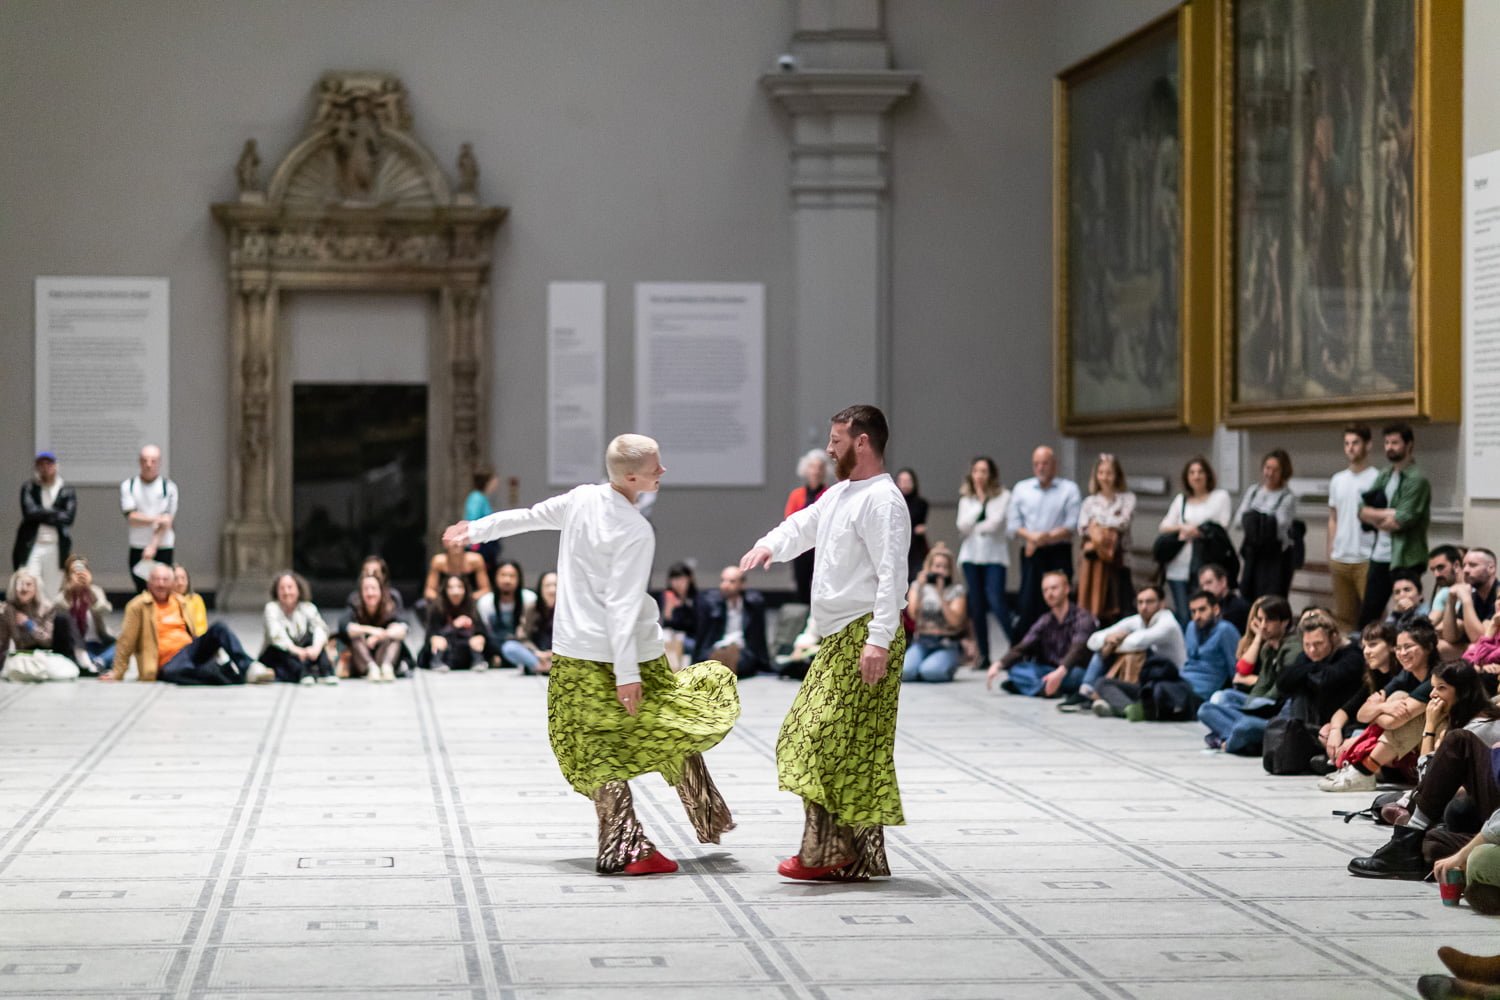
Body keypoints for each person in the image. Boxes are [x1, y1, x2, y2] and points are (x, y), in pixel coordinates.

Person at [447, 433, 738, 876]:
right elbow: (621, 605)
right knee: (648, 728)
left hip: (579, 651)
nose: (663, 472)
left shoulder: (584, 500)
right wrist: (626, 674)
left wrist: (476, 531)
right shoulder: (634, 529)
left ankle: (657, 832)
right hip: (618, 656)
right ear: (633, 475)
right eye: (656, 466)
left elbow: (527, 517)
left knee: (621, 737)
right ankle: (635, 843)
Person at [740, 404, 910, 881]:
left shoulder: (884, 500)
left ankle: (828, 851)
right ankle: (837, 851)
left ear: (861, 442)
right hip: (839, 636)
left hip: (864, 637)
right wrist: (770, 544)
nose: (829, 448)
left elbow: (893, 577)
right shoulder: (841, 494)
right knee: (834, 745)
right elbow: (802, 526)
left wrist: (878, 640)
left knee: (817, 739)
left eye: (836, 440)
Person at [1319, 619, 1440, 792]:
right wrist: (1383, 708)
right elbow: (1361, 712)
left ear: (1428, 647)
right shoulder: (1405, 675)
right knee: (1397, 698)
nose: (1402, 653)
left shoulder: (1437, 677)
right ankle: (1363, 769)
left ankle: (1363, 770)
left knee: (1415, 711)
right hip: (1413, 748)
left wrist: (1377, 714)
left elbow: (1394, 722)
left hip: (1443, 743)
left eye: (1408, 647)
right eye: (1399, 648)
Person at [107, 563, 259, 685]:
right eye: (156, 580)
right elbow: (126, 640)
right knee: (195, 673)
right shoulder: (138, 606)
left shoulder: (180, 601)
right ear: (148, 583)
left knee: (219, 628)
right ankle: (224, 674)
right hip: (167, 662)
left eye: (165, 580)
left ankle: (248, 666)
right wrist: (118, 671)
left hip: (188, 650)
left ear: (171, 583)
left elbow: (192, 631)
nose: (160, 584)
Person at [1198, 596, 1298, 753]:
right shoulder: (1268, 648)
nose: (1263, 626)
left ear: (1284, 622)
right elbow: (1260, 687)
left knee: (1245, 726)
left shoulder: (1292, 648)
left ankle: (1229, 741)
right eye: (1260, 620)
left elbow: (1278, 693)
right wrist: (1247, 706)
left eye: (1269, 620)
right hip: (1261, 706)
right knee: (1207, 708)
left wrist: (1250, 707)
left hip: (1275, 712)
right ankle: (1243, 739)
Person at [1358, 422, 1431, 627]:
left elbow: (1400, 520)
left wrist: (1381, 516)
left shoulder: (1417, 479)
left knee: (1406, 615)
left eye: (1395, 442)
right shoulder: (1385, 474)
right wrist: (1387, 513)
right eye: (1387, 442)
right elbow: (1361, 510)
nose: (1390, 447)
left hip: (1405, 556)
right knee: (1369, 613)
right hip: (1379, 554)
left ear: (1409, 445)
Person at [1073, 585, 1185, 716]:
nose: (1144, 607)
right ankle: (1091, 693)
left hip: (1167, 684)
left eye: (1149, 602)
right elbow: (1092, 641)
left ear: (1162, 604)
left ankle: (1126, 707)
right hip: (1146, 681)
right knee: (1102, 665)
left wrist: (1113, 642)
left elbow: (1136, 642)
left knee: (1114, 665)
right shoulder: (1138, 620)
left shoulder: (1168, 623)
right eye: (1140, 602)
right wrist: (1108, 639)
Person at [1007, 446, 1081, 635]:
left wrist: (1043, 538)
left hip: (1058, 550)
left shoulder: (1068, 489)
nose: (1040, 468)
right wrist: (1033, 538)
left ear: (1054, 465)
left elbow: (1072, 525)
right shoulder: (1022, 489)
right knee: (1029, 600)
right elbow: (1013, 526)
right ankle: (1031, 647)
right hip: (1031, 551)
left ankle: (1062, 642)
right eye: (1036, 464)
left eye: (1045, 463)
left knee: (1059, 597)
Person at [991, 569, 1096, 700]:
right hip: (1048, 670)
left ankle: (1033, 687)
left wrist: (1060, 672)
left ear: (1067, 589)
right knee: (1016, 669)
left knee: (1079, 676)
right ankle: (1044, 689)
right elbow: (1024, 645)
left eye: (1054, 588)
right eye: (1045, 590)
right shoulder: (1045, 620)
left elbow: (1077, 650)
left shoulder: (1083, 617)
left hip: (1071, 670)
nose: (1049, 594)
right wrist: (999, 664)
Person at [1157, 456, 1234, 626]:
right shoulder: (1181, 500)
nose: (1196, 476)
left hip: (1204, 564)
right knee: (1184, 615)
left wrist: (1197, 530)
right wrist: (1183, 528)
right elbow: (1164, 526)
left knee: (1204, 613)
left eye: (1200, 472)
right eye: (1192, 472)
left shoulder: (1219, 497)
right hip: (1178, 565)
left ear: (1207, 475)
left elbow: (1221, 525)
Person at [1317, 621, 1400, 770]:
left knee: (1357, 735)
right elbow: (1346, 710)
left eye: (1373, 644)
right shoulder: (1373, 677)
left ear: (1392, 646)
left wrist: (1374, 711)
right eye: (1364, 647)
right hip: (1367, 732)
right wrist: (1335, 730)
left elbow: (1376, 719)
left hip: (1387, 739)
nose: (1366, 651)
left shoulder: (1401, 677)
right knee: (1326, 732)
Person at [956, 456, 1012, 665]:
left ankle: (1015, 648)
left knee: (996, 600)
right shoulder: (966, 499)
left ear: (991, 475)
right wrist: (979, 506)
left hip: (994, 556)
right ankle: (985, 655)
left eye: (984, 471)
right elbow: (961, 525)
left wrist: (981, 509)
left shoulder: (1003, 496)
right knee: (977, 605)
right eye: (976, 471)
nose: (979, 475)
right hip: (971, 556)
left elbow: (995, 525)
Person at [1327, 424, 1378, 631]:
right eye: (1347, 443)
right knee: (1344, 619)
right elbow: (1333, 517)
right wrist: (1330, 549)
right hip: (1341, 557)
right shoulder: (1338, 479)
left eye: (1355, 443)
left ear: (1367, 445)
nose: (1350, 448)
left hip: (1366, 557)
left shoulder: (1376, 478)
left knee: (1371, 617)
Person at [1076, 453, 1135, 624]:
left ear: (1117, 475)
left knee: (1121, 607)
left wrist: (1097, 524)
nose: (1105, 477)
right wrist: (1107, 526)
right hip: (1094, 561)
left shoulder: (1126, 499)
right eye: (1101, 473)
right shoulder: (1089, 502)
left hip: (1119, 560)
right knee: (1094, 607)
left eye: (1109, 473)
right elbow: (1082, 528)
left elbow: (1123, 522)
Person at [1233, 448, 1298, 602]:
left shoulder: (1287, 497)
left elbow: (1280, 525)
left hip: (1275, 558)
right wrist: (1261, 519)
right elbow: (1238, 520)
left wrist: (1255, 518)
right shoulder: (1253, 491)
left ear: (1283, 472)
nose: (1270, 473)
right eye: (1267, 468)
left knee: (1271, 600)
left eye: (1276, 470)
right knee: (1246, 596)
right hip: (1253, 554)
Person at [13, 450, 76, 600]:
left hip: (56, 545)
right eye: (41, 464)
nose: (45, 467)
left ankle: (49, 621)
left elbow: (68, 517)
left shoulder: (66, 490)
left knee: (52, 589)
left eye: (49, 464)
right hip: (32, 544)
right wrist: (55, 513)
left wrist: (41, 513)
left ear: (55, 466)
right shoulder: (29, 488)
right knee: (28, 581)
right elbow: (29, 512)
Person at [901, 545, 967, 684]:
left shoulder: (956, 590)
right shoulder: (918, 586)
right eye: (937, 566)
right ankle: (924, 666)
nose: (941, 571)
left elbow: (955, 621)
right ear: (929, 567)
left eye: (945, 567)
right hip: (922, 642)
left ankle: (944, 665)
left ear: (950, 570)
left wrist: (940, 594)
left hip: (946, 643)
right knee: (905, 672)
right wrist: (919, 588)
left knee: (931, 672)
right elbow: (913, 615)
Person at [0, 568, 78, 682]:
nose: (24, 588)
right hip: (22, 654)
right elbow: (2, 641)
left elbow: (47, 640)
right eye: (20, 584)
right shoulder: (8, 609)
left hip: (44, 652)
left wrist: (29, 624)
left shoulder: (46, 607)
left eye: (29, 584)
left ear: (35, 588)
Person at [120, 444, 179, 593]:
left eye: (153, 461)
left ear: (159, 462)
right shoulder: (129, 485)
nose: (149, 465)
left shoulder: (169, 487)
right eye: (145, 460)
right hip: (138, 544)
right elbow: (132, 517)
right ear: (140, 462)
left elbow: (167, 521)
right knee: (141, 588)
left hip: (163, 545)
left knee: (162, 588)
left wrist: (152, 546)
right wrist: (155, 519)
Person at [695, 565, 771, 679]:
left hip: (741, 649)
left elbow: (758, 637)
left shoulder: (752, 605)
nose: (725, 585)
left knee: (740, 660)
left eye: (731, 581)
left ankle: (722, 670)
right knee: (715, 657)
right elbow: (703, 636)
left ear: (742, 584)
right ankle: (723, 669)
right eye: (723, 580)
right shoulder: (711, 604)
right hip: (717, 648)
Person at [261, 570, 335, 685]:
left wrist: (315, 648)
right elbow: (276, 636)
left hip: (302, 652)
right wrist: (297, 651)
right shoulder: (271, 608)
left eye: (290, 587)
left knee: (313, 638)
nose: (286, 592)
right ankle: (303, 673)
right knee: (283, 652)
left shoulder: (307, 607)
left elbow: (320, 628)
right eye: (282, 588)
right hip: (279, 653)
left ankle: (326, 671)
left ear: (298, 589)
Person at [784, 449, 833, 604]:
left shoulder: (830, 494)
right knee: (801, 585)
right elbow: (789, 519)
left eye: (820, 467)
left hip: (821, 548)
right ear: (806, 469)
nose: (816, 471)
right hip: (800, 548)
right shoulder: (796, 495)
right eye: (812, 467)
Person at [339, 572, 407, 682]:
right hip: (363, 658)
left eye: (373, 588)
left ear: (381, 591)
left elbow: (403, 629)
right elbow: (344, 627)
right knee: (356, 634)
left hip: (384, 655)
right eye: (366, 589)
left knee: (394, 632)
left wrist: (381, 635)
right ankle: (372, 669)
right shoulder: (355, 604)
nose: (370, 593)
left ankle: (387, 669)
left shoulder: (390, 605)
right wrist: (372, 630)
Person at [1439, 548, 1500, 662]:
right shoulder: (1474, 596)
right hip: (1481, 651)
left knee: (1472, 647)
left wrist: (1466, 600)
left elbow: (1480, 639)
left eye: (1473, 565)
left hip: (1494, 653)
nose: (1466, 570)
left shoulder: (1498, 596)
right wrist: (1451, 601)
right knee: (1441, 646)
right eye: (1464, 565)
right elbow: (1450, 636)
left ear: (1491, 568)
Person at [57, 554, 113, 675]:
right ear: (68, 576)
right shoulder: (63, 596)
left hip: (97, 642)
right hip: (78, 645)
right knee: (80, 654)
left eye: (83, 571)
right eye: (74, 572)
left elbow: (105, 610)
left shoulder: (96, 591)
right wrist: (69, 592)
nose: (79, 575)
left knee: (123, 644)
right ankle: (98, 662)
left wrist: (90, 591)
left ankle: (99, 662)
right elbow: (59, 612)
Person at [476, 560, 537, 669]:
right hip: (495, 649)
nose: (507, 580)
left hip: (523, 647)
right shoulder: (485, 602)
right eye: (503, 575)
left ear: (519, 579)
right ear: (495, 577)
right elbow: (485, 632)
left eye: (512, 576)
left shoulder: (529, 598)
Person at [420, 574, 488, 672]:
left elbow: (482, 631)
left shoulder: (471, 606)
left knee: (478, 639)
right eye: (451, 588)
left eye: (459, 587)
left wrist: (475, 633)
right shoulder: (437, 608)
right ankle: (436, 663)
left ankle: (478, 662)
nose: (455, 592)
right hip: (445, 647)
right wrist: (454, 626)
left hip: (465, 647)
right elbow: (430, 635)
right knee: (437, 639)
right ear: (445, 590)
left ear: (465, 589)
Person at [421, 536, 490, 609]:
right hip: (444, 604)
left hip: (471, 603)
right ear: (444, 543)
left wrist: (464, 599)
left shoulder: (476, 560)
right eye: (451, 540)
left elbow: (485, 589)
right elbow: (429, 591)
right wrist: (447, 600)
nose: (456, 543)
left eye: (459, 539)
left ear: (465, 542)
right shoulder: (438, 561)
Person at [514, 569, 557, 675]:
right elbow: (523, 636)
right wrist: (537, 652)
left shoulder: (569, 610)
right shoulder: (531, 608)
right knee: (510, 647)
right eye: (547, 585)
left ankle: (545, 667)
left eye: (556, 585)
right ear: (540, 588)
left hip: (560, 654)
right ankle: (542, 667)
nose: (552, 590)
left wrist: (553, 653)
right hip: (537, 653)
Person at [658, 562, 699, 667]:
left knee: (697, 646)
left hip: (690, 636)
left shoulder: (695, 597)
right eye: (674, 579)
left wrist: (685, 604)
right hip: (672, 635)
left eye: (681, 578)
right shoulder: (668, 596)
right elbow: (667, 621)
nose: (677, 583)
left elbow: (696, 622)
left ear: (689, 579)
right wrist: (671, 608)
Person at [464, 465, 501, 576]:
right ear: (488, 480)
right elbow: (472, 520)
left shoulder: (482, 498)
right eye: (494, 478)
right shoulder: (476, 498)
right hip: (480, 547)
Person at [896, 468, 929, 583]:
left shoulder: (921, 503)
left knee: (914, 577)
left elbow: (918, 523)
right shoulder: (894, 503)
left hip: (916, 547)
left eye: (908, 481)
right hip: (898, 544)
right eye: (902, 481)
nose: (905, 484)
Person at [1197, 562, 1250, 634]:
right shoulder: (1209, 608)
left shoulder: (1238, 607)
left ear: (1223, 581)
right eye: (1202, 586)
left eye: (1209, 582)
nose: (1205, 589)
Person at [172, 565, 209, 635]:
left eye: (183, 578)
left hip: (195, 639)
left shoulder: (196, 599)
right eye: (175, 579)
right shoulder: (166, 601)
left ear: (188, 580)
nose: (180, 583)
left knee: (219, 628)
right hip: (176, 640)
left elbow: (201, 627)